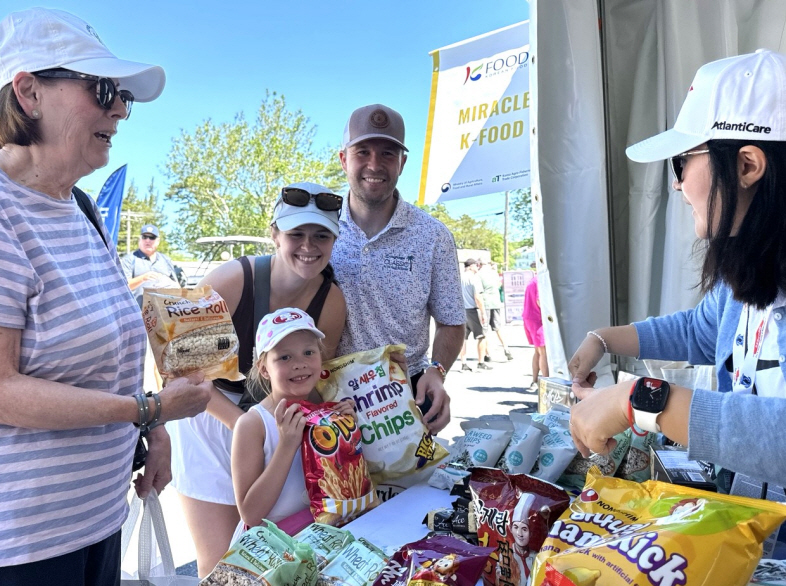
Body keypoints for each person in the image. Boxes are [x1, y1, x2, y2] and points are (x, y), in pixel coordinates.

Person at [0, 8, 211, 584]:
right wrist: (148, 410)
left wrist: (153, 432)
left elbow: (108, 356)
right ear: (28, 92)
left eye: (123, 96)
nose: (119, 109)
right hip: (24, 543)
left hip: (98, 518)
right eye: (102, 90)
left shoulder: (83, 209)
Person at [568, 50, 786, 487]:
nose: (677, 182)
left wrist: (643, 402)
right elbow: (699, 332)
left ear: (747, 164)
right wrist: (605, 338)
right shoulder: (752, 263)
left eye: (682, 161)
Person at [167, 182, 347, 577]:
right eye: (296, 234)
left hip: (274, 423)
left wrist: (330, 418)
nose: (308, 246)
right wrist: (245, 428)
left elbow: (318, 375)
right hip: (209, 418)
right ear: (274, 234)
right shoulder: (233, 280)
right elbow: (182, 371)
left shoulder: (330, 300)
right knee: (219, 564)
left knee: (273, 552)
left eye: (321, 235)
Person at [331, 104, 465, 434]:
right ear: (343, 159)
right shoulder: (319, 230)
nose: (374, 165)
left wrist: (437, 371)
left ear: (402, 163)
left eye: (388, 154)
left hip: (404, 403)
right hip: (330, 400)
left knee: (409, 487)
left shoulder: (433, 236)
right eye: (362, 151)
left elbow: (452, 321)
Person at [231, 307, 356, 528]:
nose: (299, 363)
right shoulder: (253, 424)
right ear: (264, 369)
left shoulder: (328, 407)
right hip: (277, 549)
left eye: (309, 352)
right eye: (285, 357)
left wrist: (348, 435)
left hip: (329, 535)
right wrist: (287, 445)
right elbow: (250, 515)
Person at [121, 223, 180, 308]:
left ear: (158, 241)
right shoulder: (129, 260)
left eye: (152, 237)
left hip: (164, 313)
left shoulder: (166, 260)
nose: (147, 240)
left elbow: (177, 286)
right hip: (138, 313)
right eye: (144, 237)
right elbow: (123, 287)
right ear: (140, 240)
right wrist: (143, 278)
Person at [459, 258, 492, 372]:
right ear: (472, 266)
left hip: (461, 310)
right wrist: (483, 313)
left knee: (463, 338)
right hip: (472, 310)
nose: (478, 267)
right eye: (477, 265)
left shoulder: (458, 277)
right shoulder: (474, 278)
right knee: (481, 336)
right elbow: (478, 297)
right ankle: (481, 362)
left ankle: (464, 363)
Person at [479, 260, 514, 361]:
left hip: (485, 303)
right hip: (496, 302)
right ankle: (506, 348)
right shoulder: (494, 274)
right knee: (498, 328)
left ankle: (487, 354)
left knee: (484, 331)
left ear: (479, 264)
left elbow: (478, 290)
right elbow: (499, 285)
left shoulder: (479, 275)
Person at [523, 262, 548, 387]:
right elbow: (539, 301)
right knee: (543, 352)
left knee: (538, 351)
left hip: (530, 318)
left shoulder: (533, 280)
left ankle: (534, 380)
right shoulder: (540, 280)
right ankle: (546, 382)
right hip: (537, 320)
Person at [510, 493, 536, 583]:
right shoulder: (506, 556)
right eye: (516, 527)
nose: (519, 534)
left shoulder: (537, 556)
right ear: (511, 529)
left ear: (531, 533)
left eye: (524, 529)